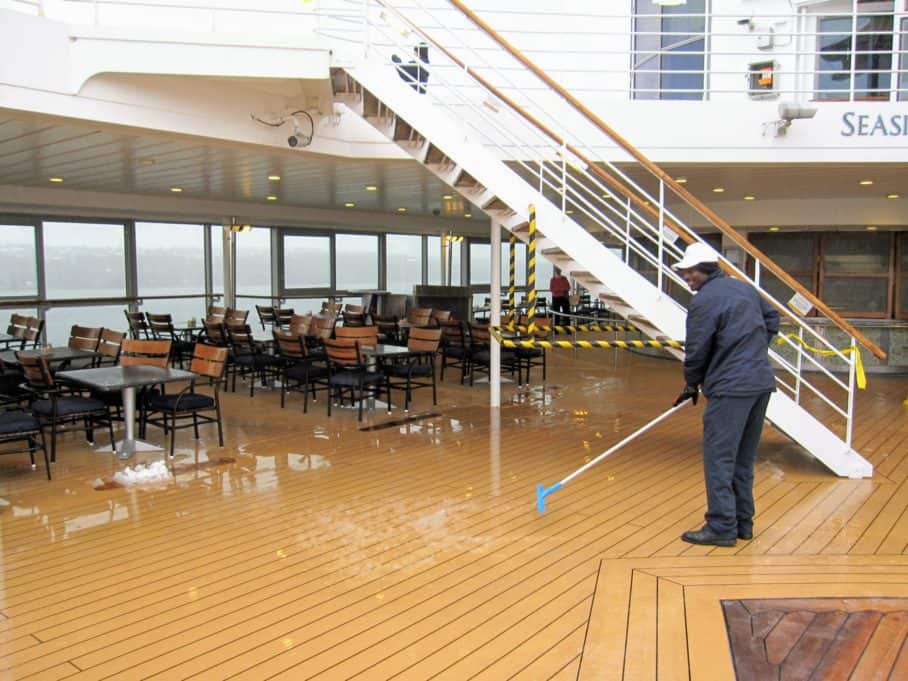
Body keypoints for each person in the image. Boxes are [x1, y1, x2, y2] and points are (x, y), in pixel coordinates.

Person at [672, 242, 779, 547]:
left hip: (731, 388)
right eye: (684, 272)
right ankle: (743, 523)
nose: (686, 277)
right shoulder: (743, 289)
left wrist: (692, 382)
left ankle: (721, 525)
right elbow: (772, 320)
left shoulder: (704, 301)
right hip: (760, 383)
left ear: (706, 269)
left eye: (690, 272)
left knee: (719, 458)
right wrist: (752, 349)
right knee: (742, 459)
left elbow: (696, 350)